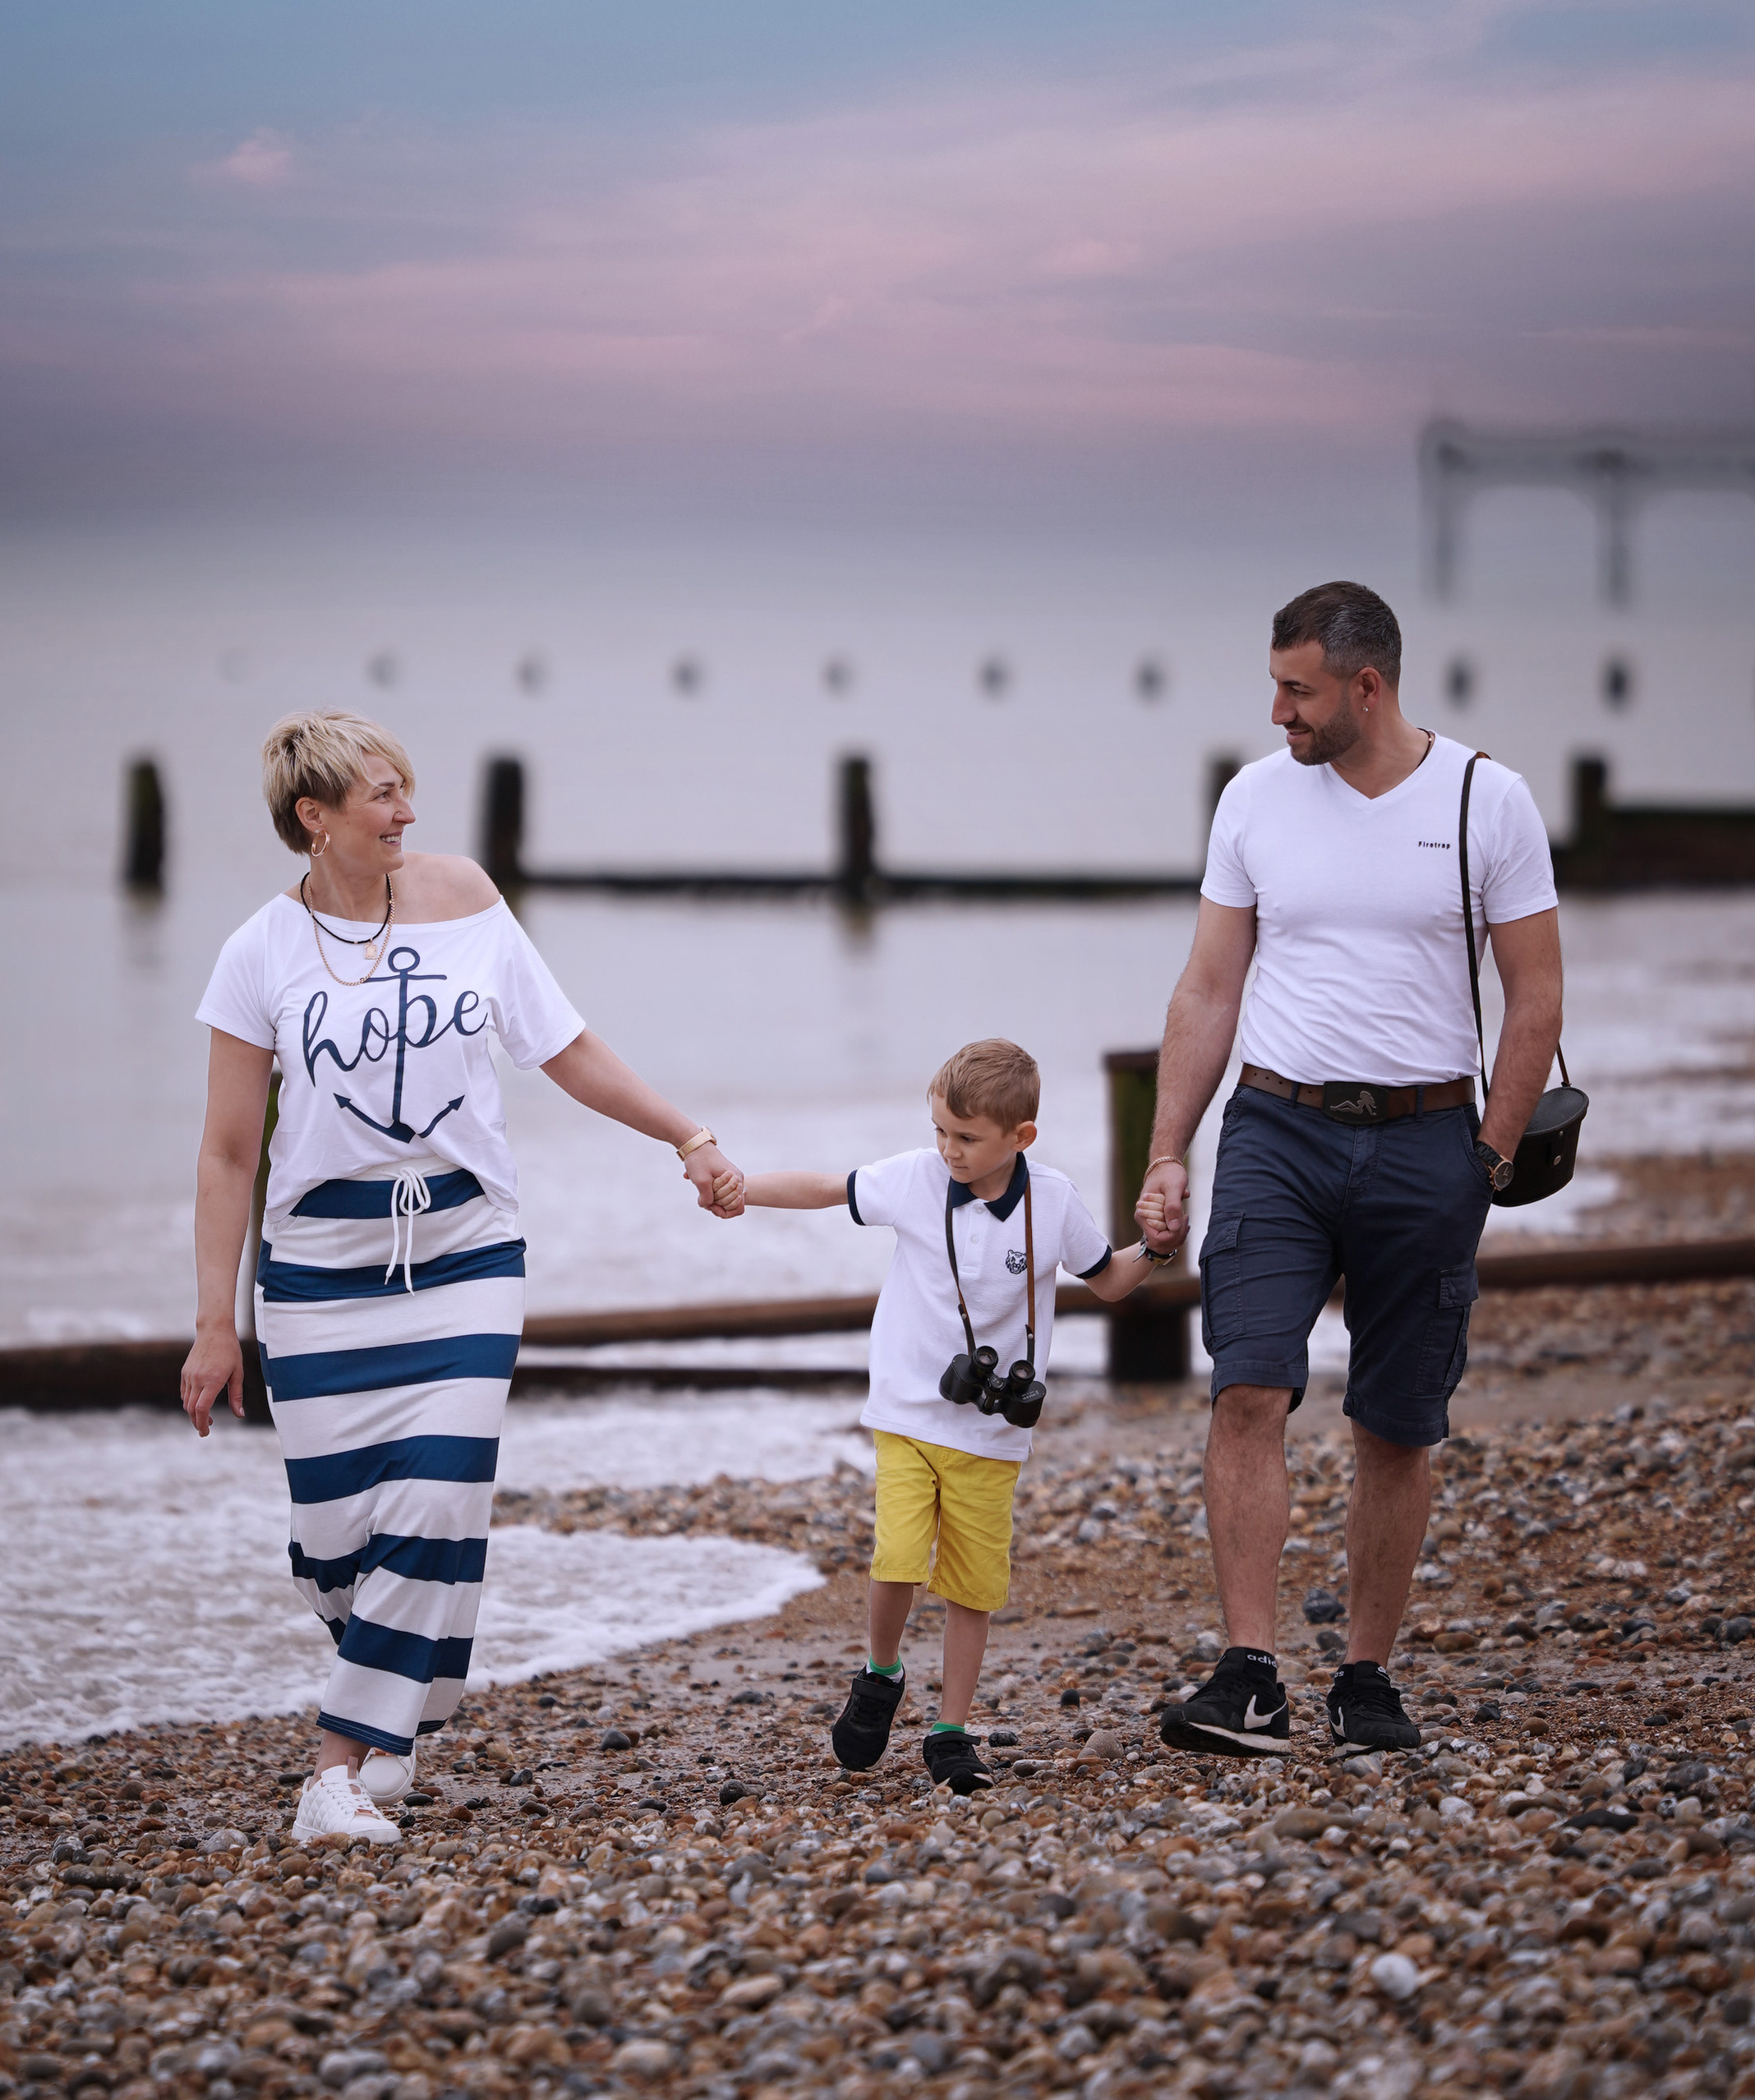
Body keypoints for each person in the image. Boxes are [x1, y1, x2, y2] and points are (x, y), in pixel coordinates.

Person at [180, 710, 744, 1845]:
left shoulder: (467, 899)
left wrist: (685, 1135)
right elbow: (229, 1152)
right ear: (315, 817)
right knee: (335, 1539)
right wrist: (212, 1324)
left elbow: (566, 1046)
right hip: (319, 1272)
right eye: (381, 796)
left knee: (438, 1498)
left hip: (464, 1250)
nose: (408, 813)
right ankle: (397, 1698)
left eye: (407, 789)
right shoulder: (260, 955)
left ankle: (335, 1773)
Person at [1141, 581, 1562, 1760]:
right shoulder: (1255, 798)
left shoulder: (1490, 800)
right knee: (1249, 1386)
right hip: (1276, 1131)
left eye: (1297, 689)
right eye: (1276, 685)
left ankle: (1365, 1678)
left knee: (1397, 1421)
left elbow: (1536, 995)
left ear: (1364, 687)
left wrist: (1482, 1163)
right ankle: (1250, 1672)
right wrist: (1169, 1151)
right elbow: (1208, 989)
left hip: (1432, 1141)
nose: (1278, 711)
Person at [727, 1038, 1164, 1794]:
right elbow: (827, 1189)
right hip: (906, 1413)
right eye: (940, 1131)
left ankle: (950, 1731)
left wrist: (1158, 1247)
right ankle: (881, 1673)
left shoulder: (1053, 1200)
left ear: (1021, 1137)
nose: (948, 1150)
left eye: (966, 1138)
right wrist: (742, 1188)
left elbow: (1111, 1281)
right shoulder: (914, 1179)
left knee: (973, 1585)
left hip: (994, 1434)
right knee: (899, 1557)